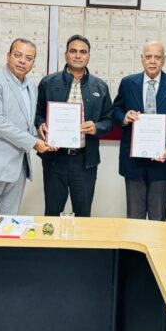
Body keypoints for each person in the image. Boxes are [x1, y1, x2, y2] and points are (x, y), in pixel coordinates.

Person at [0, 38, 53, 215]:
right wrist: (33, 142)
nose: (22, 61)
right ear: (8, 56)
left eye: (28, 58)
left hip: (18, 169)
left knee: (7, 226)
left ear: (33, 62)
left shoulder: (32, 87)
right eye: (17, 55)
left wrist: (42, 136)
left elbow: (26, 123)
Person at [112, 41, 166, 221]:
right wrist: (124, 117)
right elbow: (115, 111)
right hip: (133, 163)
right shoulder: (128, 83)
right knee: (135, 219)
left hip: (162, 161)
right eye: (148, 57)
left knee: (158, 220)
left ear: (164, 60)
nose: (153, 61)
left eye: (157, 57)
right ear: (142, 59)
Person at [35, 35, 114, 217]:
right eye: (73, 51)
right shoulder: (48, 82)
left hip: (85, 160)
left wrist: (97, 127)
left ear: (88, 56)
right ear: (66, 55)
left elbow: (109, 120)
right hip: (55, 159)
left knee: (83, 215)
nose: (78, 56)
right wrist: (40, 124)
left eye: (83, 52)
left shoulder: (100, 86)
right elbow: (37, 113)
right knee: (52, 213)